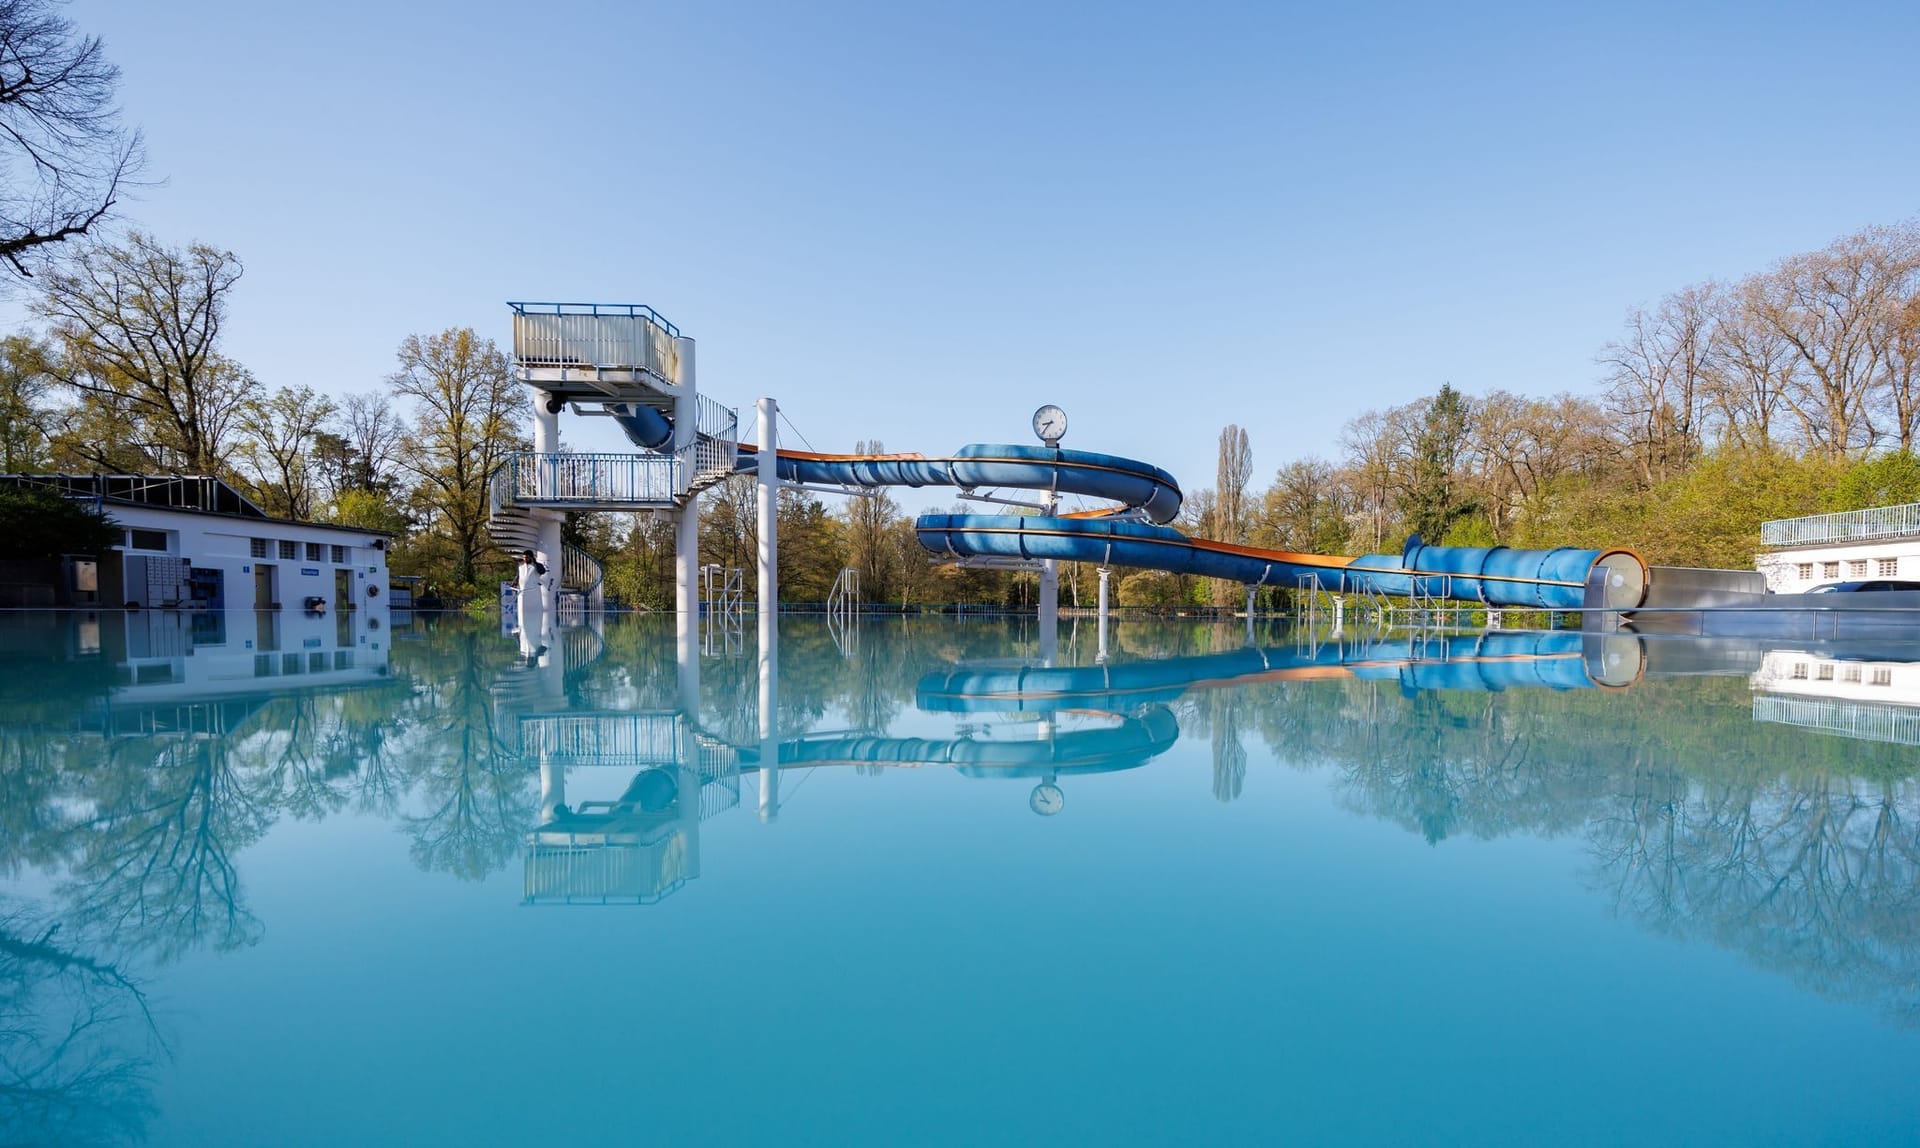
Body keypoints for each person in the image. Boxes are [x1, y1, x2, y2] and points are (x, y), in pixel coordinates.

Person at [515, 549, 548, 653]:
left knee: (535, 615)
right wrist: (514, 582)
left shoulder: (537, 566)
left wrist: (534, 562)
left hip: (534, 593)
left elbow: (542, 571)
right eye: (524, 557)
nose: (525, 559)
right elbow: (518, 576)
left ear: (531, 557)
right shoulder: (520, 566)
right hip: (522, 593)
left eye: (527, 557)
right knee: (522, 615)